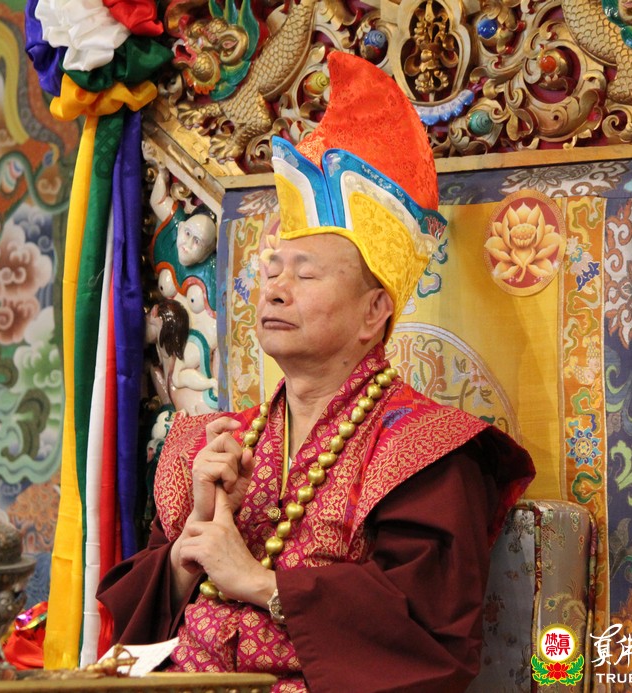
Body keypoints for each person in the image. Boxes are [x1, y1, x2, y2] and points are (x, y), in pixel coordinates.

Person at [97, 52, 535, 692]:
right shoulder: (213, 446)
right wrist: (190, 548)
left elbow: (429, 640)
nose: (276, 289)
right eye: (272, 271)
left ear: (373, 312)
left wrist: (260, 582)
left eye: (305, 274)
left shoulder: (427, 453)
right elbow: (131, 639)